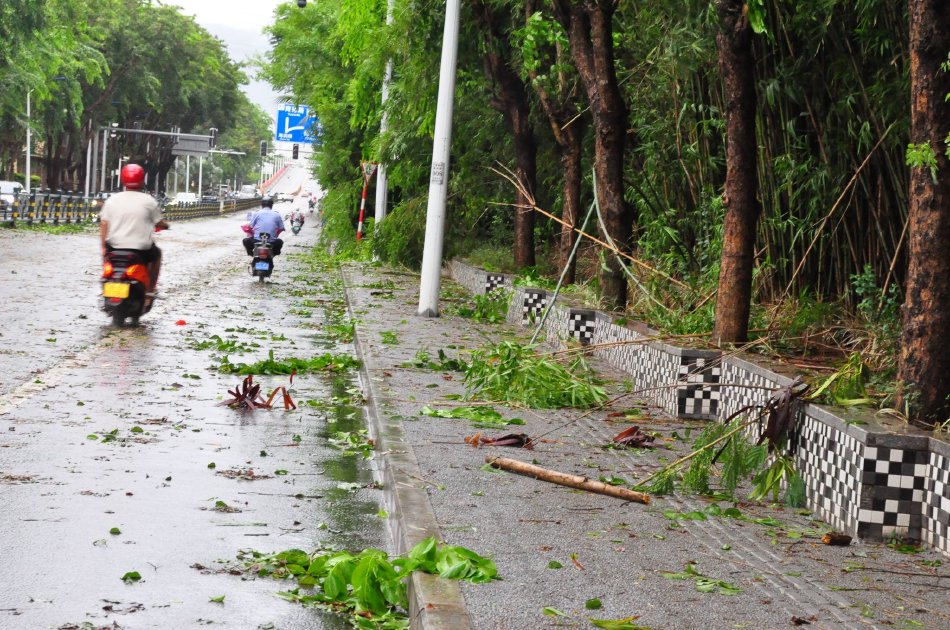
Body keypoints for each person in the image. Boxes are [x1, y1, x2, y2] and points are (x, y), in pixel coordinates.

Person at [99, 164, 168, 305]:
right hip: (141, 249)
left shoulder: (112, 200)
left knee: (106, 257)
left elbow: (104, 224)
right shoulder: (149, 201)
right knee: (157, 254)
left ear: (123, 180)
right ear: (142, 180)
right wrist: (165, 225)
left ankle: (104, 287)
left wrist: (103, 246)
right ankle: (150, 290)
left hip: (115, 246)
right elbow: (159, 222)